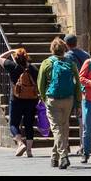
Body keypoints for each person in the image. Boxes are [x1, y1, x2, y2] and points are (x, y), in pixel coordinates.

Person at [37, 37, 81, 169]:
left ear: (52, 49)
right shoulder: (70, 63)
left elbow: (41, 83)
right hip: (68, 99)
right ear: (64, 49)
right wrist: (77, 102)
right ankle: (54, 157)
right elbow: (77, 84)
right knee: (64, 127)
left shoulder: (46, 63)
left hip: (53, 99)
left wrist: (44, 97)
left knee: (56, 129)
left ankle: (63, 156)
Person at [0, 46, 38, 158]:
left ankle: (20, 144)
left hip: (16, 99)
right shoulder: (33, 69)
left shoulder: (13, 66)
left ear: (16, 57)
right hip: (31, 100)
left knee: (13, 124)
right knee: (29, 124)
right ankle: (29, 151)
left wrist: (11, 51)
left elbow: (0, 57)